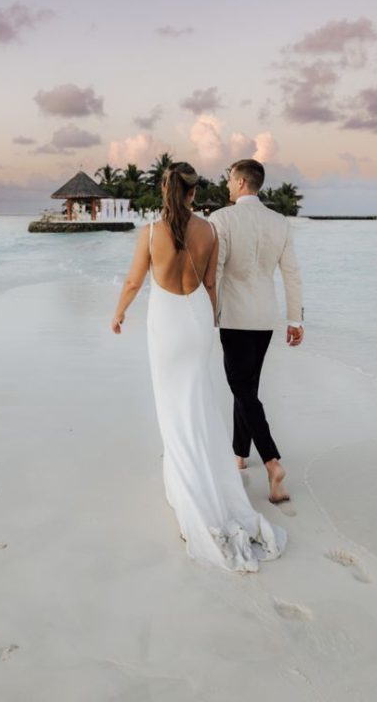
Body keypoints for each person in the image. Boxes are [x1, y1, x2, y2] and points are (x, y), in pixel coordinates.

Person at [111, 162, 286, 572]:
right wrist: (210, 321)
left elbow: (134, 283)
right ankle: (210, 477)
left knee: (173, 406)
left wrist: (118, 313)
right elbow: (211, 284)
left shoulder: (151, 233)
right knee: (198, 400)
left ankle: (188, 489)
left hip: (167, 325)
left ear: (163, 189)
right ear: (193, 193)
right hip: (198, 321)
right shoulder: (209, 230)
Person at [209, 159, 304, 505]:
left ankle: (272, 462)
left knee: (242, 389)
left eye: (230, 180)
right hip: (265, 317)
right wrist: (296, 320)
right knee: (248, 387)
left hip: (234, 317)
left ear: (241, 182)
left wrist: (208, 315)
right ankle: (239, 454)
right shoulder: (279, 222)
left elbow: (215, 272)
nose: (227, 186)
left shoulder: (221, 219)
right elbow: (291, 273)